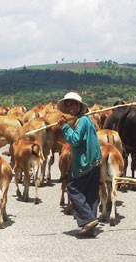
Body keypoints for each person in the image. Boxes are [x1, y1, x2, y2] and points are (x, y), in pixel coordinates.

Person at [57, 92, 102, 238]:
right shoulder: (87, 120)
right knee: (91, 194)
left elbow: (75, 140)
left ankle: (89, 219)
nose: (70, 108)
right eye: (68, 105)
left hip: (85, 163)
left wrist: (64, 127)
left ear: (79, 106)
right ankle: (90, 228)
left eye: (73, 104)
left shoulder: (82, 121)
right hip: (95, 162)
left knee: (73, 188)